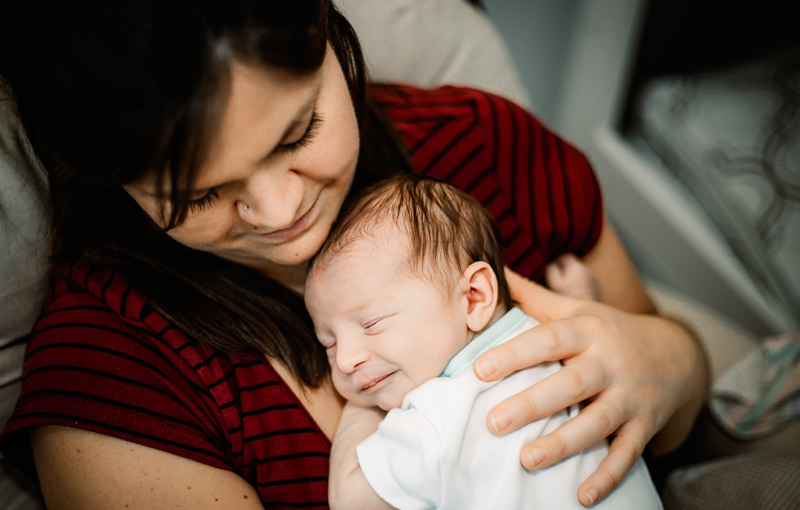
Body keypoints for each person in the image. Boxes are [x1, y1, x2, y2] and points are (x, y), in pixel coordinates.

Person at [0, 1, 708, 508]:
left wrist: (670, 361)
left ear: (330, 29)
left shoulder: (482, 145)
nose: (281, 214)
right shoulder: (114, 386)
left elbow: (669, 421)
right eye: (197, 194)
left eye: (298, 131)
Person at [304, 174, 663, 509]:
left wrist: (359, 408)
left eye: (372, 323)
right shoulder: (554, 341)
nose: (346, 359)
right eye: (329, 344)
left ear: (474, 296)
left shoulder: (434, 417)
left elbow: (350, 498)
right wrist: (585, 299)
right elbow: (595, 360)